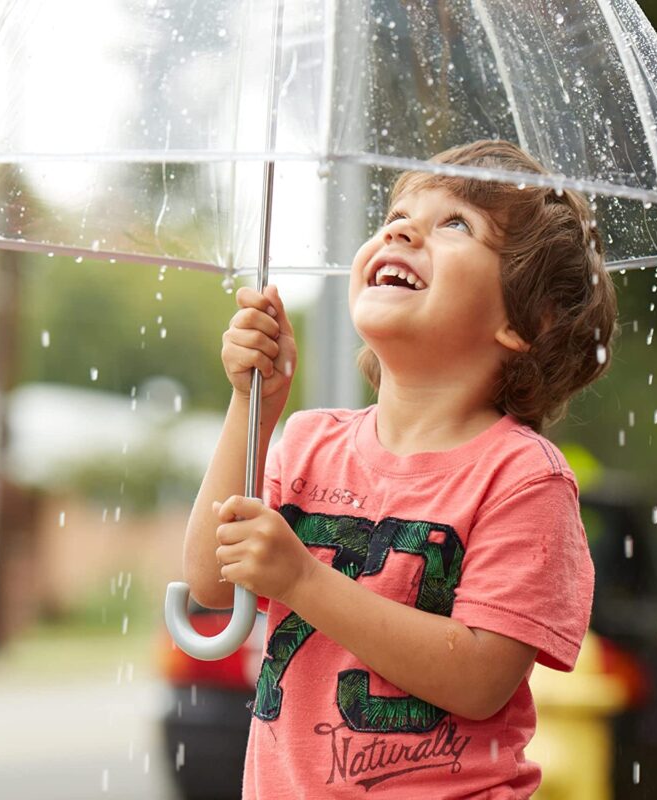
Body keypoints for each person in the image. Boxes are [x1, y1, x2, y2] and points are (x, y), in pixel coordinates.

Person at [183, 139, 618, 799]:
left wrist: (303, 579)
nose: (402, 227)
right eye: (397, 213)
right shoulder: (304, 441)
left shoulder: (524, 477)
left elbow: (478, 678)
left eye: (455, 224)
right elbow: (211, 585)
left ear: (525, 322)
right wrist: (253, 407)